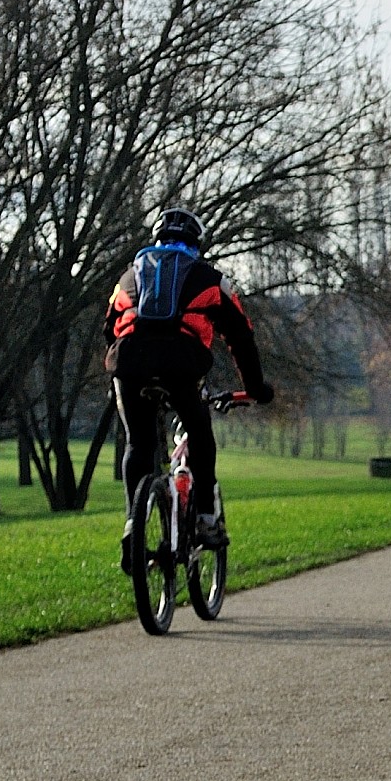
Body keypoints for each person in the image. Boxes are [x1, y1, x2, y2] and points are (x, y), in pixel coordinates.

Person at [105, 206, 273, 559]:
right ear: (197, 243)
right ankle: (207, 520)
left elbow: (110, 328)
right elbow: (241, 336)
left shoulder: (127, 278)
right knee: (199, 433)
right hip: (180, 365)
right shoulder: (209, 278)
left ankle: (134, 525)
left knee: (139, 444)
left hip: (127, 362)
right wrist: (256, 387)